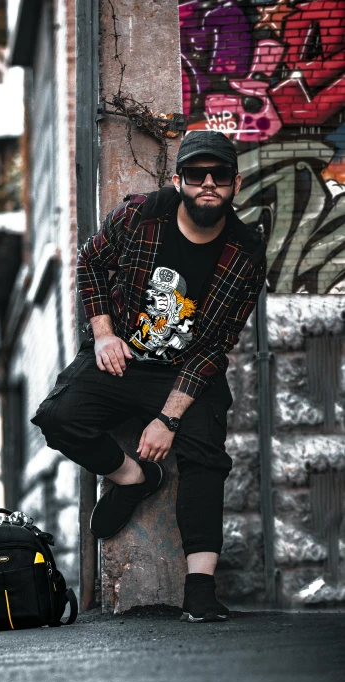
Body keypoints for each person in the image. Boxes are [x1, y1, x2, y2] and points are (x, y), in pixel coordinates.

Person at [31, 131, 266, 623]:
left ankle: (200, 589)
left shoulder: (245, 253)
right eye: (197, 174)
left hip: (186, 373)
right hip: (124, 358)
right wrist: (103, 335)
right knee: (58, 417)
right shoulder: (141, 215)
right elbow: (91, 262)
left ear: (235, 184)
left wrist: (168, 419)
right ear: (178, 180)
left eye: (219, 175)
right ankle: (135, 477)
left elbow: (212, 347)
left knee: (205, 455)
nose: (208, 184)